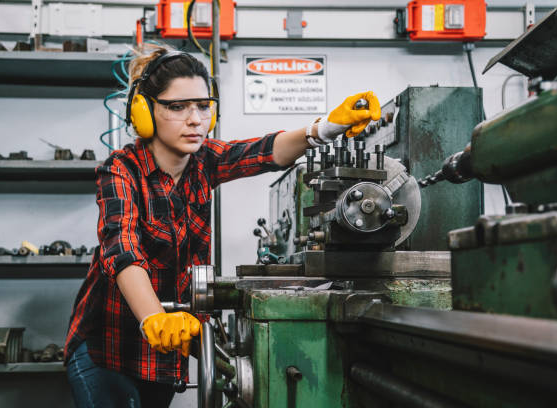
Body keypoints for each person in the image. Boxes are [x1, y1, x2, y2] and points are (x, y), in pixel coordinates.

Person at [64, 45, 380, 408]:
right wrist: (153, 317)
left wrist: (324, 129)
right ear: (144, 112)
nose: (195, 119)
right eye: (177, 107)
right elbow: (122, 247)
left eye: (202, 106)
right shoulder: (121, 169)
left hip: (164, 354)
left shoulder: (205, 162)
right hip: (107, 348)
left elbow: (265, 151)